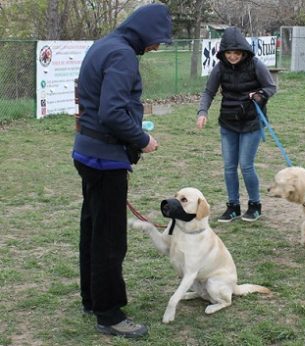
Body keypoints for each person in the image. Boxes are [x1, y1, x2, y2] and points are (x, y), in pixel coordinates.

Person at [72, 3, 172, 338]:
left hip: (87, 153)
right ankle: (110, 314)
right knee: (110, 239)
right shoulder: (122, 55)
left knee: (93, 230)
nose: (157, 47)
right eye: (157, 40)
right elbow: (112, 112)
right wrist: (143, 139)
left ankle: (92, 299)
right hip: (105, 159)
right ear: (144, 32)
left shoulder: (103, 45)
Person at [196, 27, 277, 223]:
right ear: (223, 53)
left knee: (246, 165)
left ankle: (255, 205)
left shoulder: (255, 64)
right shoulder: (220, 67)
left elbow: (271, 87)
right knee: (229, 167)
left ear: (244, 52)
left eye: (236, 53)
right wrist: (202, 111)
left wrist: (259, 95)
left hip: (251, 122)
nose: (232, 56)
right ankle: (233, 206)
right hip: (228, 122)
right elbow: (209, 92)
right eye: (229, 53)